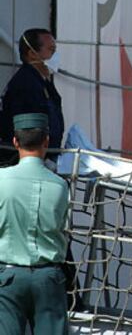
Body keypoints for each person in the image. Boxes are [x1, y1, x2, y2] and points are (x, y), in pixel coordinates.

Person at [0, 112, 69, 334]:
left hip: (8, 278)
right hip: (48, 278)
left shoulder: (2, 179)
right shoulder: (60, 185)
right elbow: (64, 229)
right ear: (46, 141)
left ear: (15, 141)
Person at [0, 28, 64, 164]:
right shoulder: (25, 84)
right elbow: (26, 129)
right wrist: (40, 158)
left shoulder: (43, 81)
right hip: (28, 159)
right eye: (51, 50)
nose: (55, 56)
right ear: (32, 54)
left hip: (47, 155)